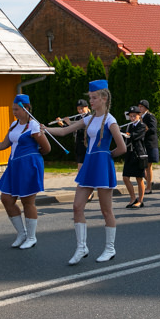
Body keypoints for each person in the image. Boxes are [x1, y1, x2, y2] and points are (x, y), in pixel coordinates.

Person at [45, 80, 127, 265]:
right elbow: (65, 130)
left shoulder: (111, 120)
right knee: (77, 206)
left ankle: (110, 248)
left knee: (106, 210)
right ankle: (82, 247)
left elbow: (122, 148)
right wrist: (45, 129)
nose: (90, 101)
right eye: (90, 97)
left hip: (102, 165)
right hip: (90, 165)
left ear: (104, 98)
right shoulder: (88, 119)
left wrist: (105, 157)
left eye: (94, 97)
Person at [0, 94, 50, 249]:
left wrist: (31, 157)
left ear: (26, 109)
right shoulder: (14, 125)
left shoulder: (33, 126)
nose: (14, 111)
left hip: (28, 166)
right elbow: (3, 144)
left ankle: (31, 237)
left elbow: (47, 148)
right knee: (6, 199)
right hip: (13, 166)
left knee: (28, 202)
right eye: (13, 108)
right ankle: (21, 233)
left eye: (17, 109)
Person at [121, 106, 148, 209]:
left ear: (139, 116)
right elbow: (125, 135)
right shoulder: (129, 126)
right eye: (130, 116)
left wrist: (126, 134)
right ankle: (133, 198)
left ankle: (140, 201)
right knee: (125, 177)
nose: (132, 118)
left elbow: (135, 136)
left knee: (139, 178)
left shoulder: (142, 126)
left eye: (134, 116)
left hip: (138, 154)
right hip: (129, 154)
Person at [137, 100, 158, 194]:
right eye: (139, 106)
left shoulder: (150, 116)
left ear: (146, 108)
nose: (139, 108)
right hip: (142, 143)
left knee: (148, 165)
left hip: (150, 143)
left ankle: (149, 187)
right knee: (142, 165)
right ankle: (149, 181)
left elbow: (153, 129)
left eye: (141, 106)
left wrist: (144, 128)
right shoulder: (139, 117)